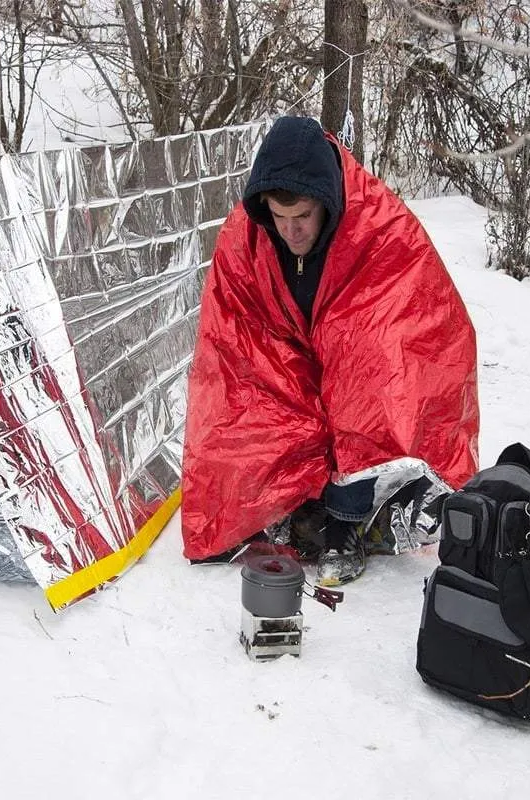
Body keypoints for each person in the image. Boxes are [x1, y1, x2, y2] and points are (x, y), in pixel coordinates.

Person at [180, 115, 479, 584]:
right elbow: (232, 331)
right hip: (290, 348)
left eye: (302, 217)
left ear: (328, 202)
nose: (291, 231)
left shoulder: (380, 227)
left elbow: (411, 324)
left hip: (364, 351)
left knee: (366, 379)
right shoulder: (247, 235)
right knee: (242, 391)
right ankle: (280, 503)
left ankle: (346, 523)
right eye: (279, 218)